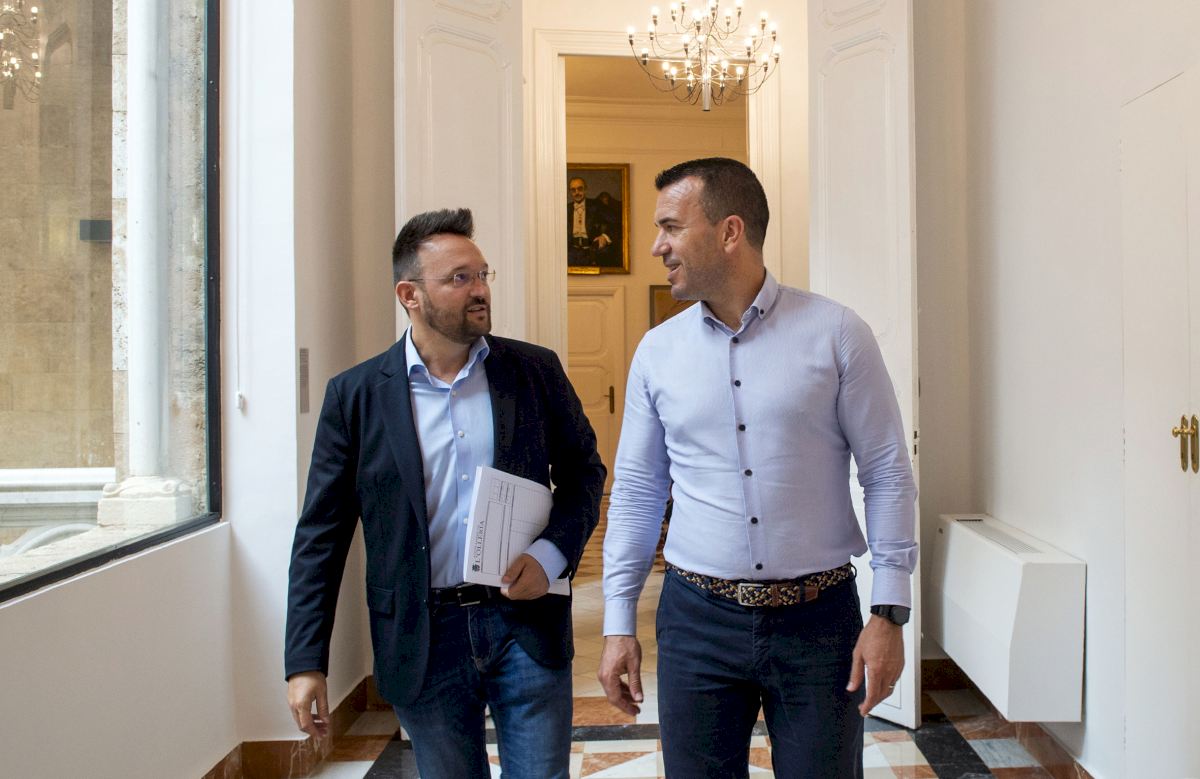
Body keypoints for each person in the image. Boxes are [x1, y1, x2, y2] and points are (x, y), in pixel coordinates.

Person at [597, 158, 917, 777]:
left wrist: (889, 611)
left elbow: (885, 472)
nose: (658, 246)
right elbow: (637, 492)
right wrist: (618, 623)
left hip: (819, 621)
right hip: (696, 621)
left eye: (671, 226)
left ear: (729, 231)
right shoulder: (658, 353)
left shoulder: (837, 333)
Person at [285, 208, 606, 779]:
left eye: (482, 275)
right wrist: (305, 660)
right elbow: (321, 536)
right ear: (409, 294)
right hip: (422, 636)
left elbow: (585, 474)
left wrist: (550, 554)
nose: (479, 289)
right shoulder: (356, 396)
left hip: (524, 624)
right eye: (460, 278)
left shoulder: (534, 371)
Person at [567, 176, 616, 266]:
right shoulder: (566, 209)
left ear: (585, 189)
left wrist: (604, 236)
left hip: (591, 250)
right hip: (570, 252)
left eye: (580, 189)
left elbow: (614, 222)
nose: (577, 192)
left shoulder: (596, 205)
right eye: (573, 190)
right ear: (570, 192)